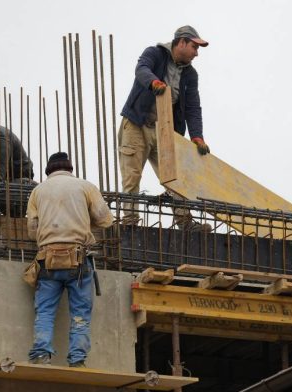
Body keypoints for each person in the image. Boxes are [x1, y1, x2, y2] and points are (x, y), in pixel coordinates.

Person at [119, 25, 211, 231]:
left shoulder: (190, 75)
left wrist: (197, 136)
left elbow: (192, 107)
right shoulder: (155, 53)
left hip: (164, 130)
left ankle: (185, 223)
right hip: (137, 125)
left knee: (175, 177)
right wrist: (154, 83)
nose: (197, 53)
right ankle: (130, 224)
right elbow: (141, 69)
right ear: (181, 42)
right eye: (194, 47)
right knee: (132, 176)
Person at [26, 152, 113, 367]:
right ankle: (77, 360)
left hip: (48, 259)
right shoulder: (85, 187)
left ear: (49, 171)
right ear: (70, 168)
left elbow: (32, 230)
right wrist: (83, 219)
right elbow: (105, 220)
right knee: (80, 313)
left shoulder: (37, 191)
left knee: (45, 311)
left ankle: (41, 355)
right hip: (78, 260)